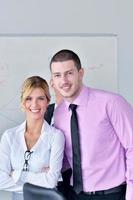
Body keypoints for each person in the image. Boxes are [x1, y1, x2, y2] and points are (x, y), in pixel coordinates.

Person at [49, 49, 133, 200]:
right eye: (57, 75)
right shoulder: (59, 114)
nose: (64, 81)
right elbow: (66, 160)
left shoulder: (111, 103)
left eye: (69, 73)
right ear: (52, 80)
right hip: (76, 195)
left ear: (80, 73)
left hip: (113, 194)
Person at [0, 76, 65, 200]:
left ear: (47, 101)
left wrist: (16, 174)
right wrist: (41, 180)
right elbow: (1, 180)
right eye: (29, 98)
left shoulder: (56, 136)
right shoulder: (9, 136)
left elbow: (51, 182)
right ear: (23, 102)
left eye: (40, 98)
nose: (34, 104)